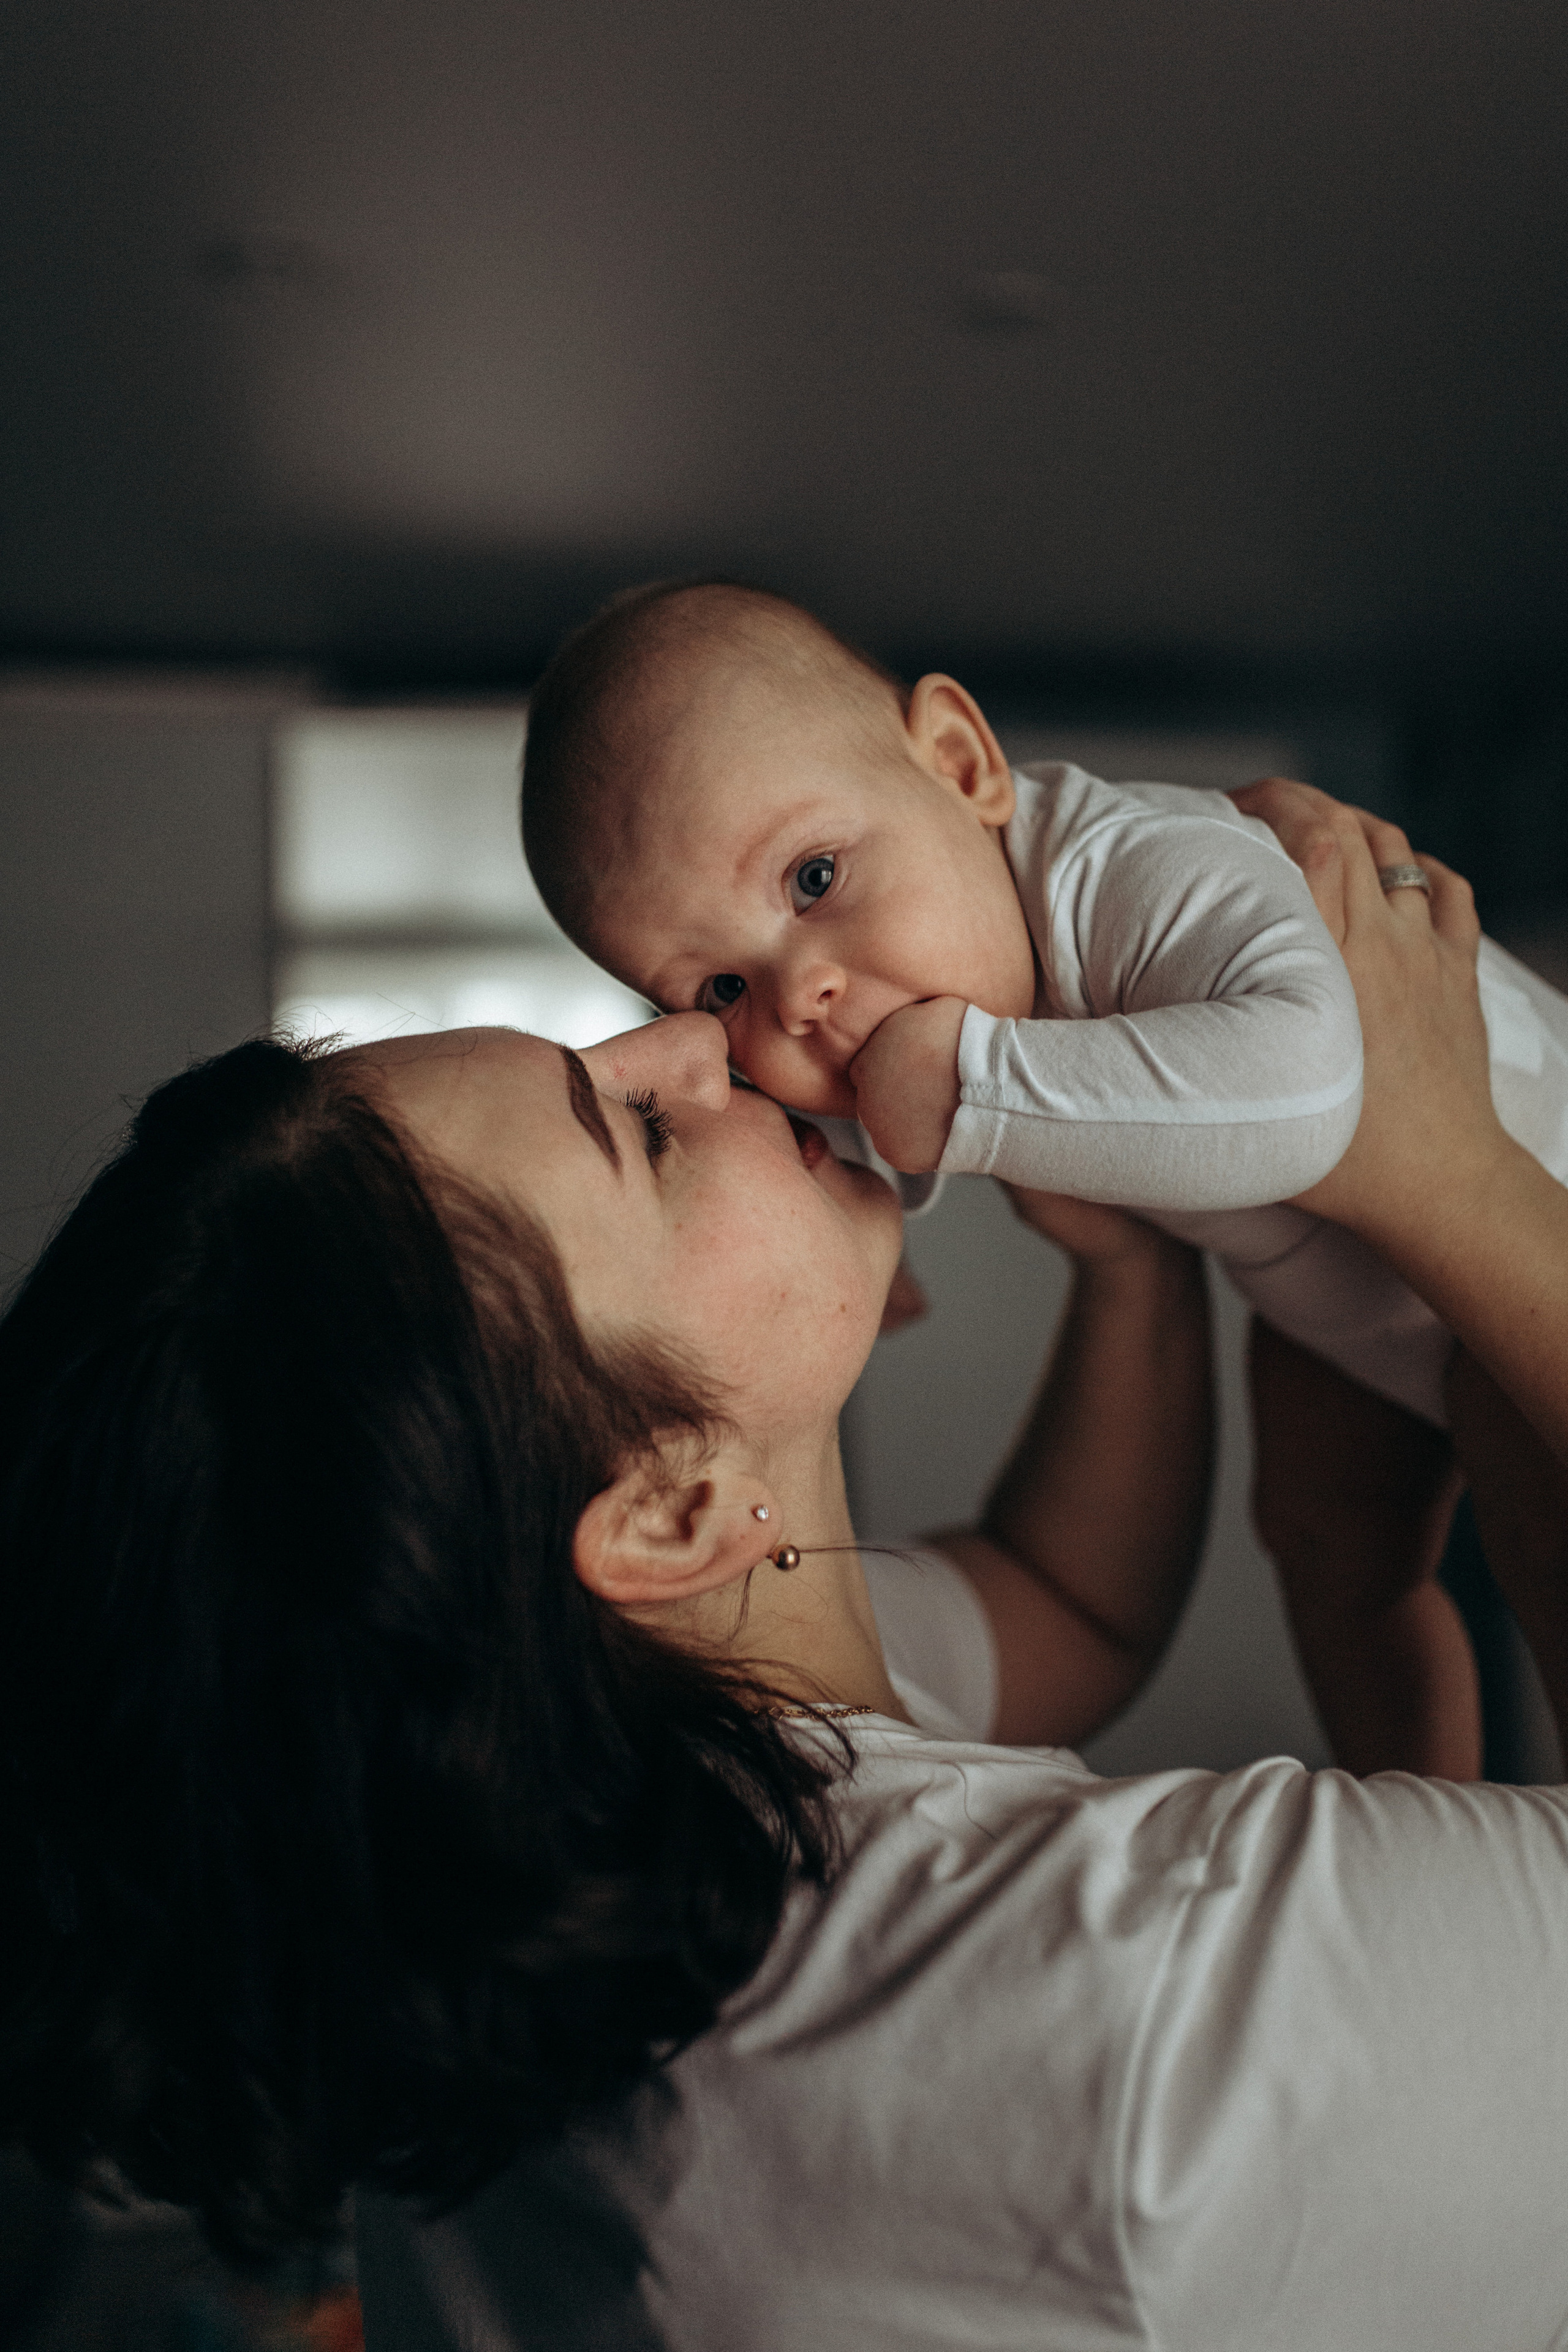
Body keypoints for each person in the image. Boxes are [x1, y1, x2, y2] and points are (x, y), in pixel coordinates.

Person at [5, 786, 1568, 2352]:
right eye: (639, 1126)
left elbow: (1064, 1600)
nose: (703, 1041)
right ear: (671, 1511)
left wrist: (1127, 1266)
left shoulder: (565, 1850)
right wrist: (1452, 1179)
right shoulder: (1125, 2020)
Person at [520, 579, 1568, 1780]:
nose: (798, 997)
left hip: (1523, 1193)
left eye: (812, 880)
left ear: (962, 764)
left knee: (1539, 1533)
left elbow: (1310, 1091)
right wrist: (864, 1204)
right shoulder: (899, 981)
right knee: (1330, 1550)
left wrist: (976, 1085)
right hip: (1341, 1292)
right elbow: (875, 1116)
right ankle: (1430, 1809)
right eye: (717, 992)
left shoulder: (1130, 869)